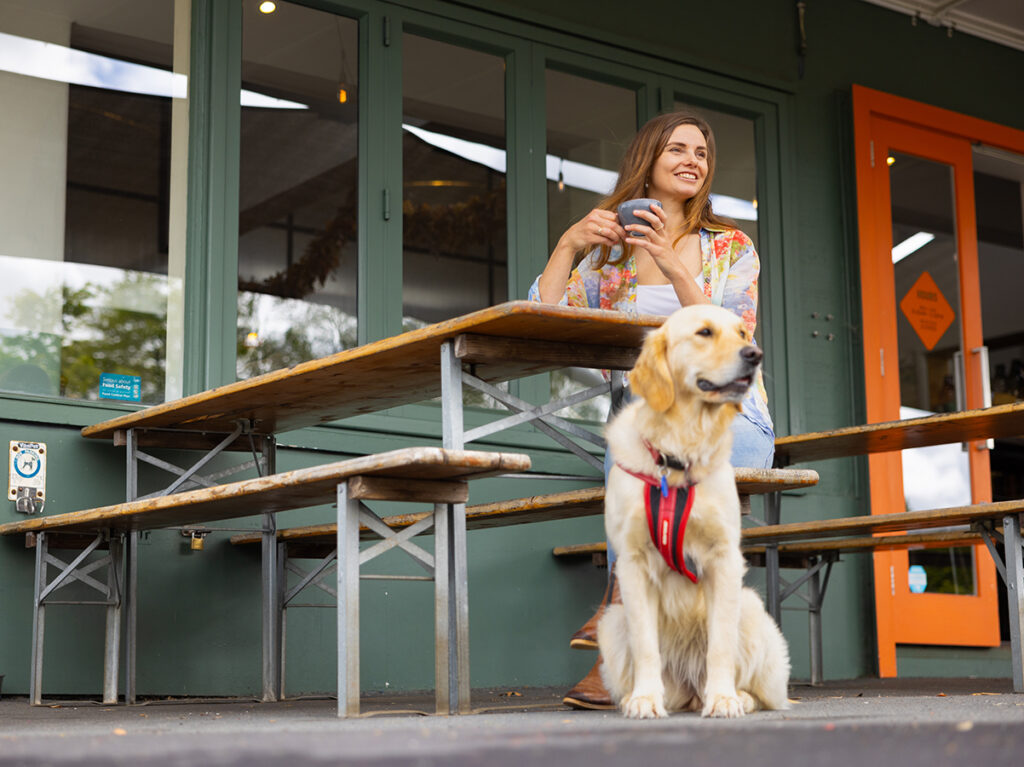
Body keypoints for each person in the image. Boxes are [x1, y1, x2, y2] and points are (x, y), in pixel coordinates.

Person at [528, 111, 775, 709]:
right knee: (640, 452)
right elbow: (541, 321)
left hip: (731, 421)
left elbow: (737, 336)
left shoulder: (731, 247)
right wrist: (568, 246)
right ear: (648, 159)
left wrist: (671, 261)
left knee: (637, 465)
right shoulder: (608, 258)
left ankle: (616, 627)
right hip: (651, 427)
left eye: (702, 152)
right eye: (678, 149)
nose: (694, 160)